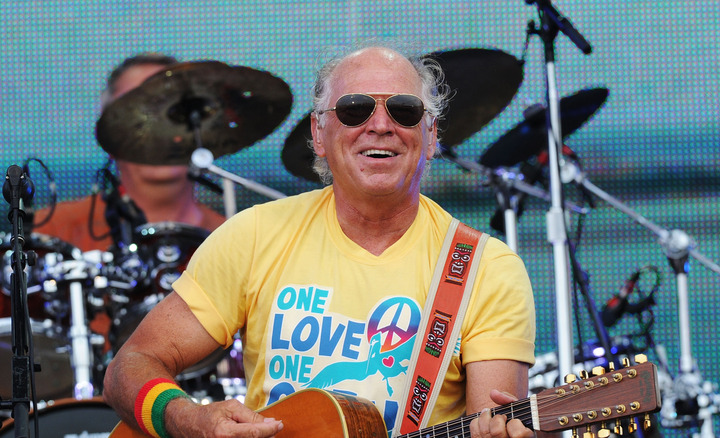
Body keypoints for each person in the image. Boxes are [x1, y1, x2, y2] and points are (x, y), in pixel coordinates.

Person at [102, 44, 536, 438]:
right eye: (354, 109)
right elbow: (129, 366)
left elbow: (493, 424)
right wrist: (191, 420)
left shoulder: (486, 268)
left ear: (431, 135)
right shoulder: (254, 235)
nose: (381, 125)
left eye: (404, 110)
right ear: (318, 134)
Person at [33, 53, 226, 252]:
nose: (158, 127)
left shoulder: (237, 244)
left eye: (175, 111)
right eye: (137, 111)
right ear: (108, 135)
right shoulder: (47, 232)